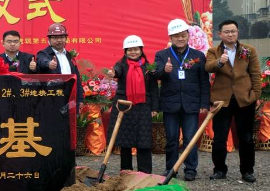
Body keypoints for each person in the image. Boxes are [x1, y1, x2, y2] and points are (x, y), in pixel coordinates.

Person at [205, 19, 262, 182]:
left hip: (244, 99)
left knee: (246, 137)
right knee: (219, 137)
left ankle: (247, 171)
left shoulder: (248, 50)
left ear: (237, 32)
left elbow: (255, 74)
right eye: (227, 31)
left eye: (233, 31)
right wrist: (219, 62)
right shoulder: (213, 51)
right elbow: (208, 67)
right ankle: (219, 170)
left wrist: (255, 95)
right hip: (221, 101)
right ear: (220, 34)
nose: (230, 34)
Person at [154, 19, 210, 181]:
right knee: (171, 138)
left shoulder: (198, 56)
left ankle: (190, 169)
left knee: (190, 138)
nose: (180, 38)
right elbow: (155, 74)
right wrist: (164, 70)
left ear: (188, 36)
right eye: (176, 36)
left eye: (183, 35)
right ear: (170, 37)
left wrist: (204, 103)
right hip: (170, 104)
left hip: (191, 104)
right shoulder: (162, 55)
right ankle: (171, 169)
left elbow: (204, 82)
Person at [106, 35, 159, 174]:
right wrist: (113, 73)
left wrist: (155, 107)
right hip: (125, 106)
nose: (133, 52)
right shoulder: (121, 64)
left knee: (144, 141)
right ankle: (126, 172)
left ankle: (145, 173)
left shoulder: (148, 67)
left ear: (141, 50)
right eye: (130, 50)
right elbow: (117, 71)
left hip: (143, 106)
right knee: (125, 141)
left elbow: (153, 88)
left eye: (136, 49)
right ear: (125, 52)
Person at [37, 23, 84, 110]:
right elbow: (41, 61)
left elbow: (77, 78)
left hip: (70, 97)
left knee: (70, 118)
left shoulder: (69, 55)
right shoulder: (44, 53)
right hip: (52, 98)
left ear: (66, 39)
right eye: (55, 38)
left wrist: (80, 99)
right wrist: (48, 64)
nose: (59, 40)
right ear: (49, 40)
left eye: (62, 37)